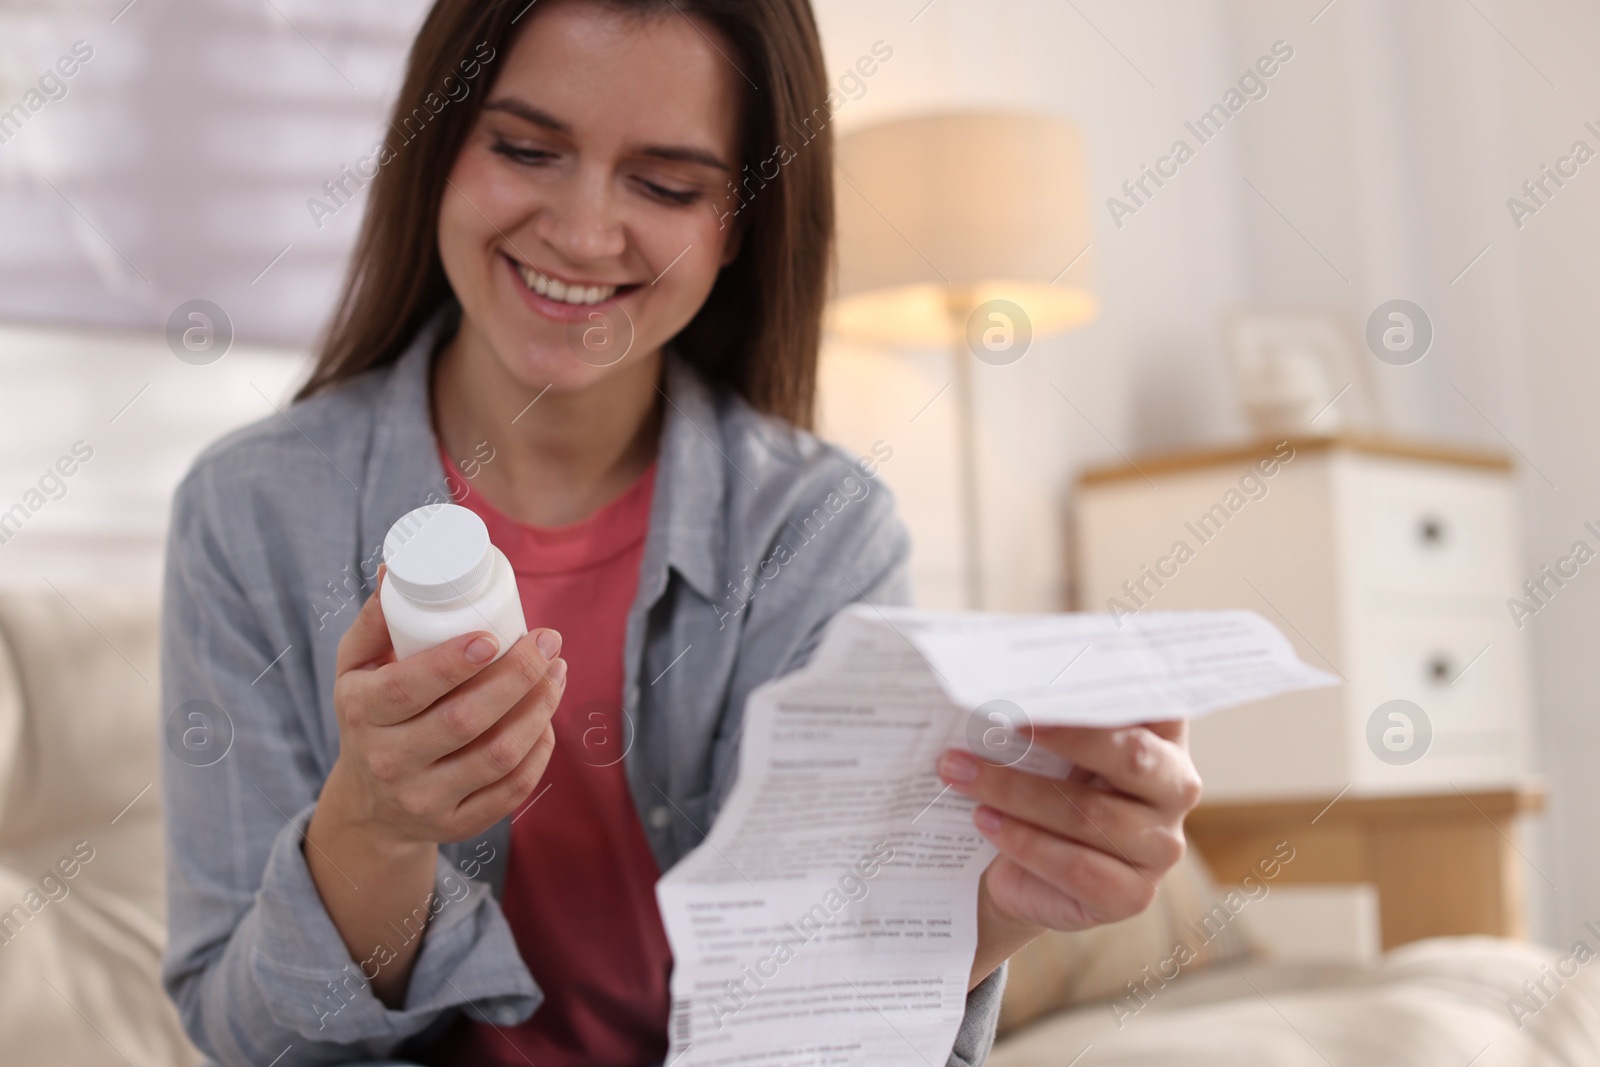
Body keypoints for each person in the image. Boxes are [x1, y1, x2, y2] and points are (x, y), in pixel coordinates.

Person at [159, 1, 1203, 1064]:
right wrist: (373, 825)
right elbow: (252, 1041)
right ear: (437, 145)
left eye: (665, 184)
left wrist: (999, 910)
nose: (580, 231)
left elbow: (827, 1003)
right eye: (525, 148)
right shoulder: (251, 514)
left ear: (740, 219)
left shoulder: (820, 532)